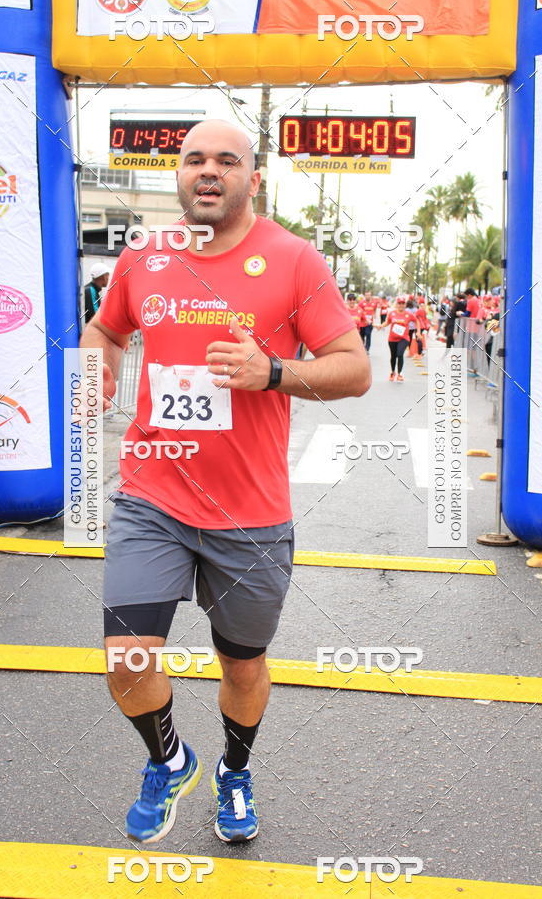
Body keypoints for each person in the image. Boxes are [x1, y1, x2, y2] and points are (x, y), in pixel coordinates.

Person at [80, 119, 371, 846]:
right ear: (179, 175)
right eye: (193, 160)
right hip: (153, 495)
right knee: (126, 658)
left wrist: (272, 371)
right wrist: (98, 365)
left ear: (252, 178)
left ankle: (234, 773)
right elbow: (107, 331)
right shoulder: (143, 257)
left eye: (226, 161)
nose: (207, 172)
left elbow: (354, 368)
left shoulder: (294, 261)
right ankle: (170, 758)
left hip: (251, 514)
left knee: (242, 668)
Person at [376, 296, 420, 381]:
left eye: (403, 303)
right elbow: (387, 322)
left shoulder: (408, 314)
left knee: (399, 354)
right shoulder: (392, 313)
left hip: (404, 338)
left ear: (405, 304)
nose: (401, 305)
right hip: (392, 339)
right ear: (397, 304)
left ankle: (399, 374)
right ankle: (393, 372)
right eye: (399, 303)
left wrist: (418, 332)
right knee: (393, 356)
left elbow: (416, 321)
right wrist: (381, 326)